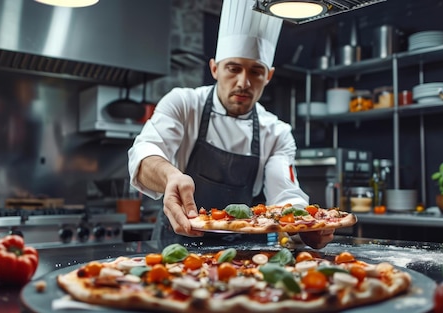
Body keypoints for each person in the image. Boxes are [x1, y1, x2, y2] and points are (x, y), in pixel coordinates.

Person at [127, 0, 334, 249]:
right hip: (175, 247)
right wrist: (171, 177)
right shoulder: (183, 103)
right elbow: (145, 152)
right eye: (233, 68)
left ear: (268, 76)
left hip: (246, 254)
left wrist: (306, 224)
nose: (243, 82)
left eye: (256, 71)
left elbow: (285, 192)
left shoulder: (277, 132)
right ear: (214, 68)